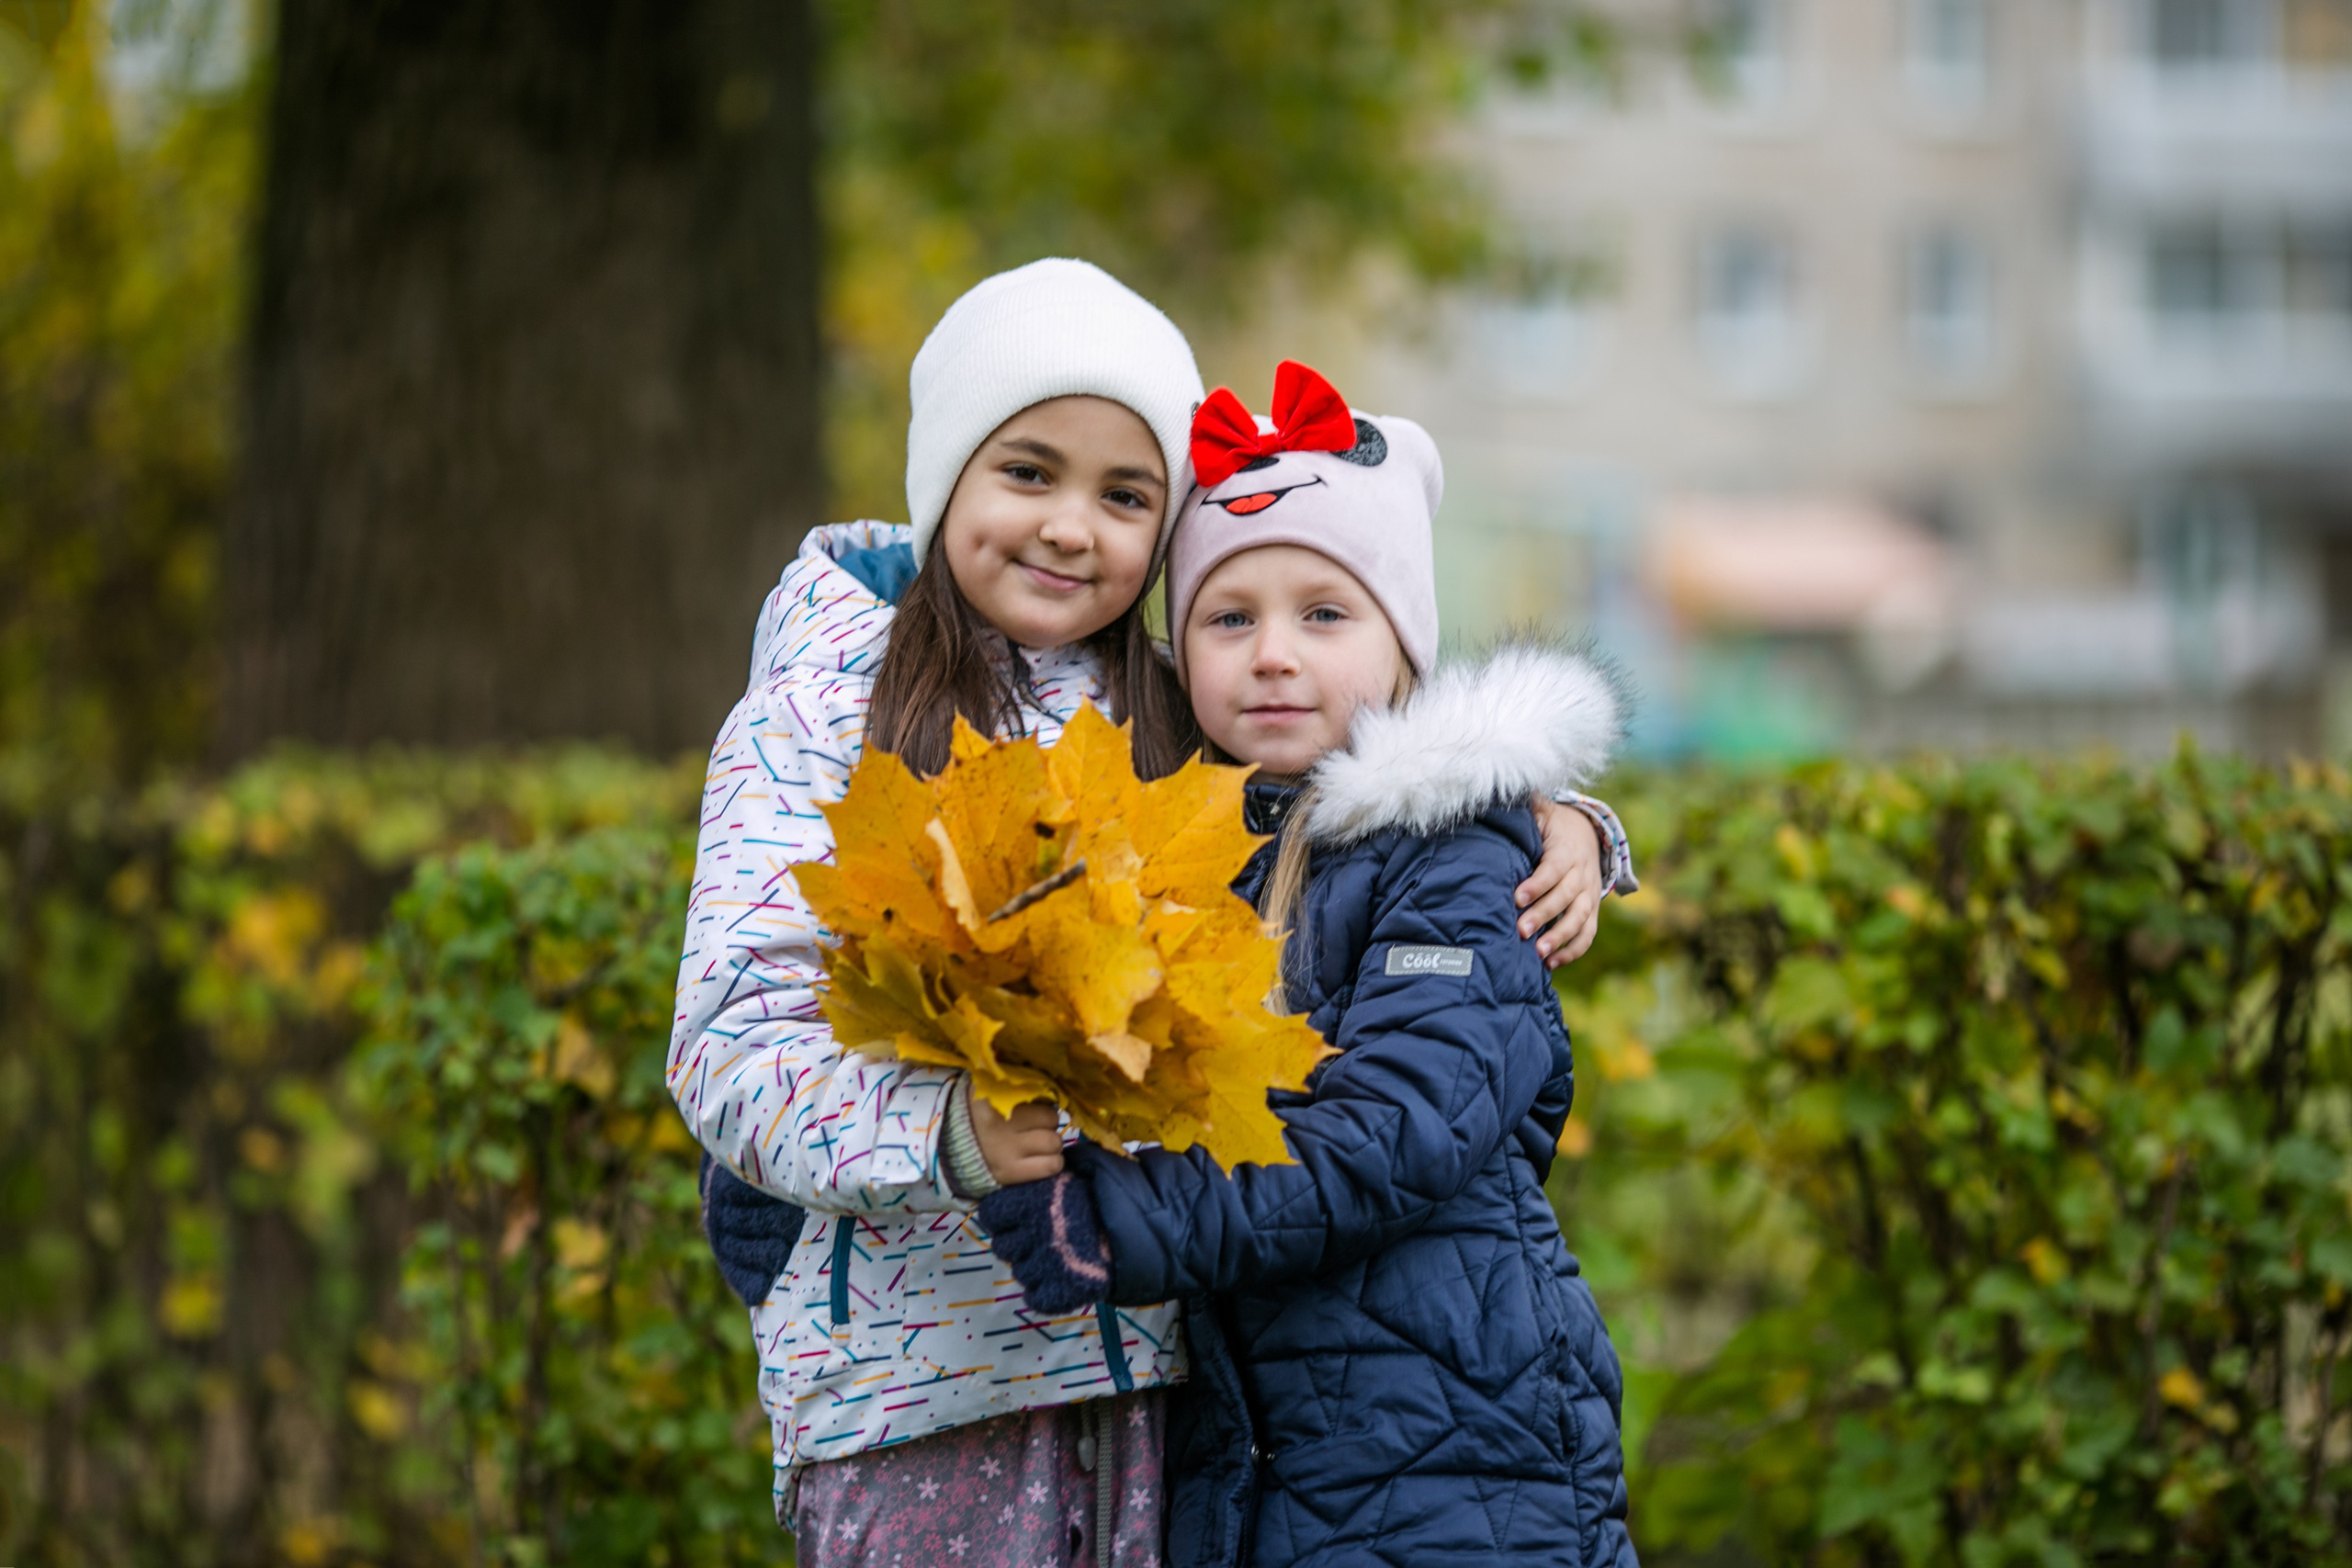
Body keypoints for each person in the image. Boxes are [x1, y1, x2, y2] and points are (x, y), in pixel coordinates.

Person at [671, 269, 1634, 1567]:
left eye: (1125, 496)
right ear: (946, 472)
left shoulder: (1167, 703)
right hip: (920, 1382)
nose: (1072, 527)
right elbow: (731, 1045)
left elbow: (1354, 775)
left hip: (1160, 1375)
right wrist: (945, 1135)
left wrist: (1560, 819)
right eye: (1028, 471)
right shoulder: (815, 711)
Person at [977, 363, 1639, 1567]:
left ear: (1403, 643)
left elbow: (1394, 1129)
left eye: (1324, 615)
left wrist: (1109, 1225)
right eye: (1232, 619)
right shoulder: (1192, 850)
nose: (1274, 655)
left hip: (1453, 1455)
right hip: (1266, 1455)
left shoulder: (1449, 854)